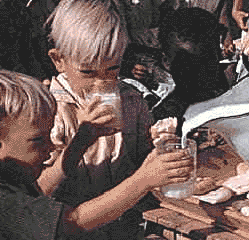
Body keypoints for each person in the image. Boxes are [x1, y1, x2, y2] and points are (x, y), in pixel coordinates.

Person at [33, 0, 193, 238]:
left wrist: (158, 144)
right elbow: (35, 194)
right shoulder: (47, 112)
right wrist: (79, 143)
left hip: (126, 228)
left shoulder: (130, 100)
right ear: (59, 60)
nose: (102, 82)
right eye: (87, 72)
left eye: (112, 68)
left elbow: (140, 161)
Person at [0, 69, 193, 238]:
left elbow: (41, 190)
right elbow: (71, 224)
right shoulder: (4, 202)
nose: (50, 147)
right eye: (37, 140)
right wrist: (143, 180)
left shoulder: (13, 177)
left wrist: (80, 143)